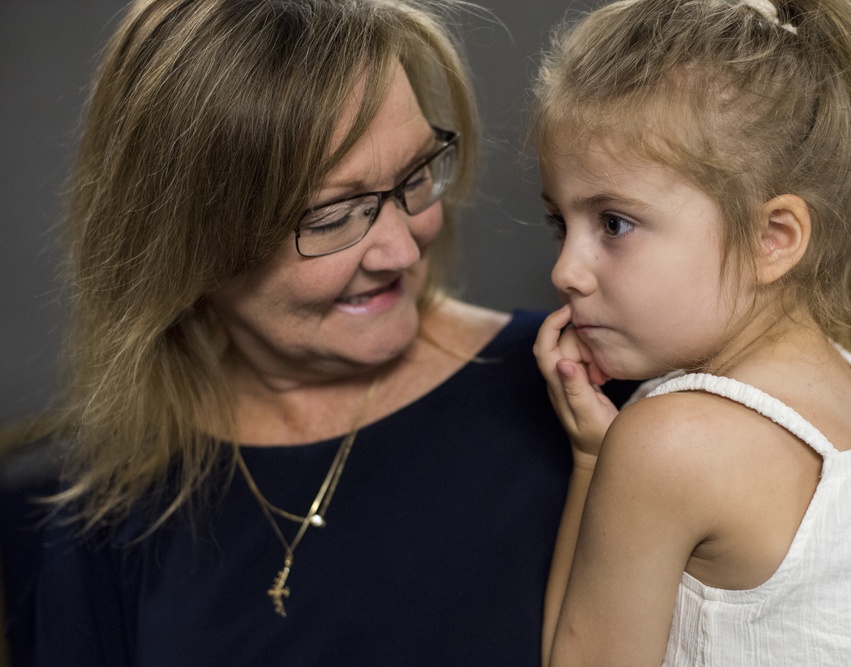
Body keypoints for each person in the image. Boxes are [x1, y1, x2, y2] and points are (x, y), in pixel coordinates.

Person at [0, 0, 633, 663]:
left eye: (415, 176)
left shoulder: (584, 395)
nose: (402, 250)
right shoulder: (103, 512)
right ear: (185, 243)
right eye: (334, 214)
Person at [531, 0, 851, 664]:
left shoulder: (669, 441)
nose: (566, 270)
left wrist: (592, 461)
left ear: (772, 239)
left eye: (613, 223)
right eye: (560, 224)